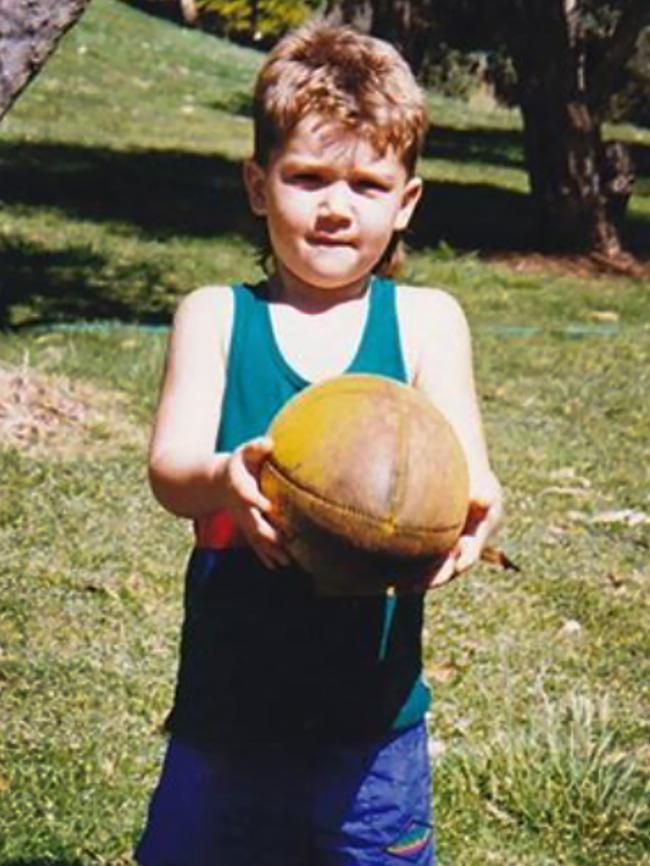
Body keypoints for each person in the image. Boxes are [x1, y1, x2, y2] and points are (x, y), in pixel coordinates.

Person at [136, 21, 502, 866]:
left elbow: (473, 480)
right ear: (258, 186)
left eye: (367, 184)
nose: (336, 206)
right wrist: (225, 478)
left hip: (372, 724)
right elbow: (170, 473)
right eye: (306, 178)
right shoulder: (218, 316)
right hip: (228, 709)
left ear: (406, 201)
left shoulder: (425, 322)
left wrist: (479, 520)